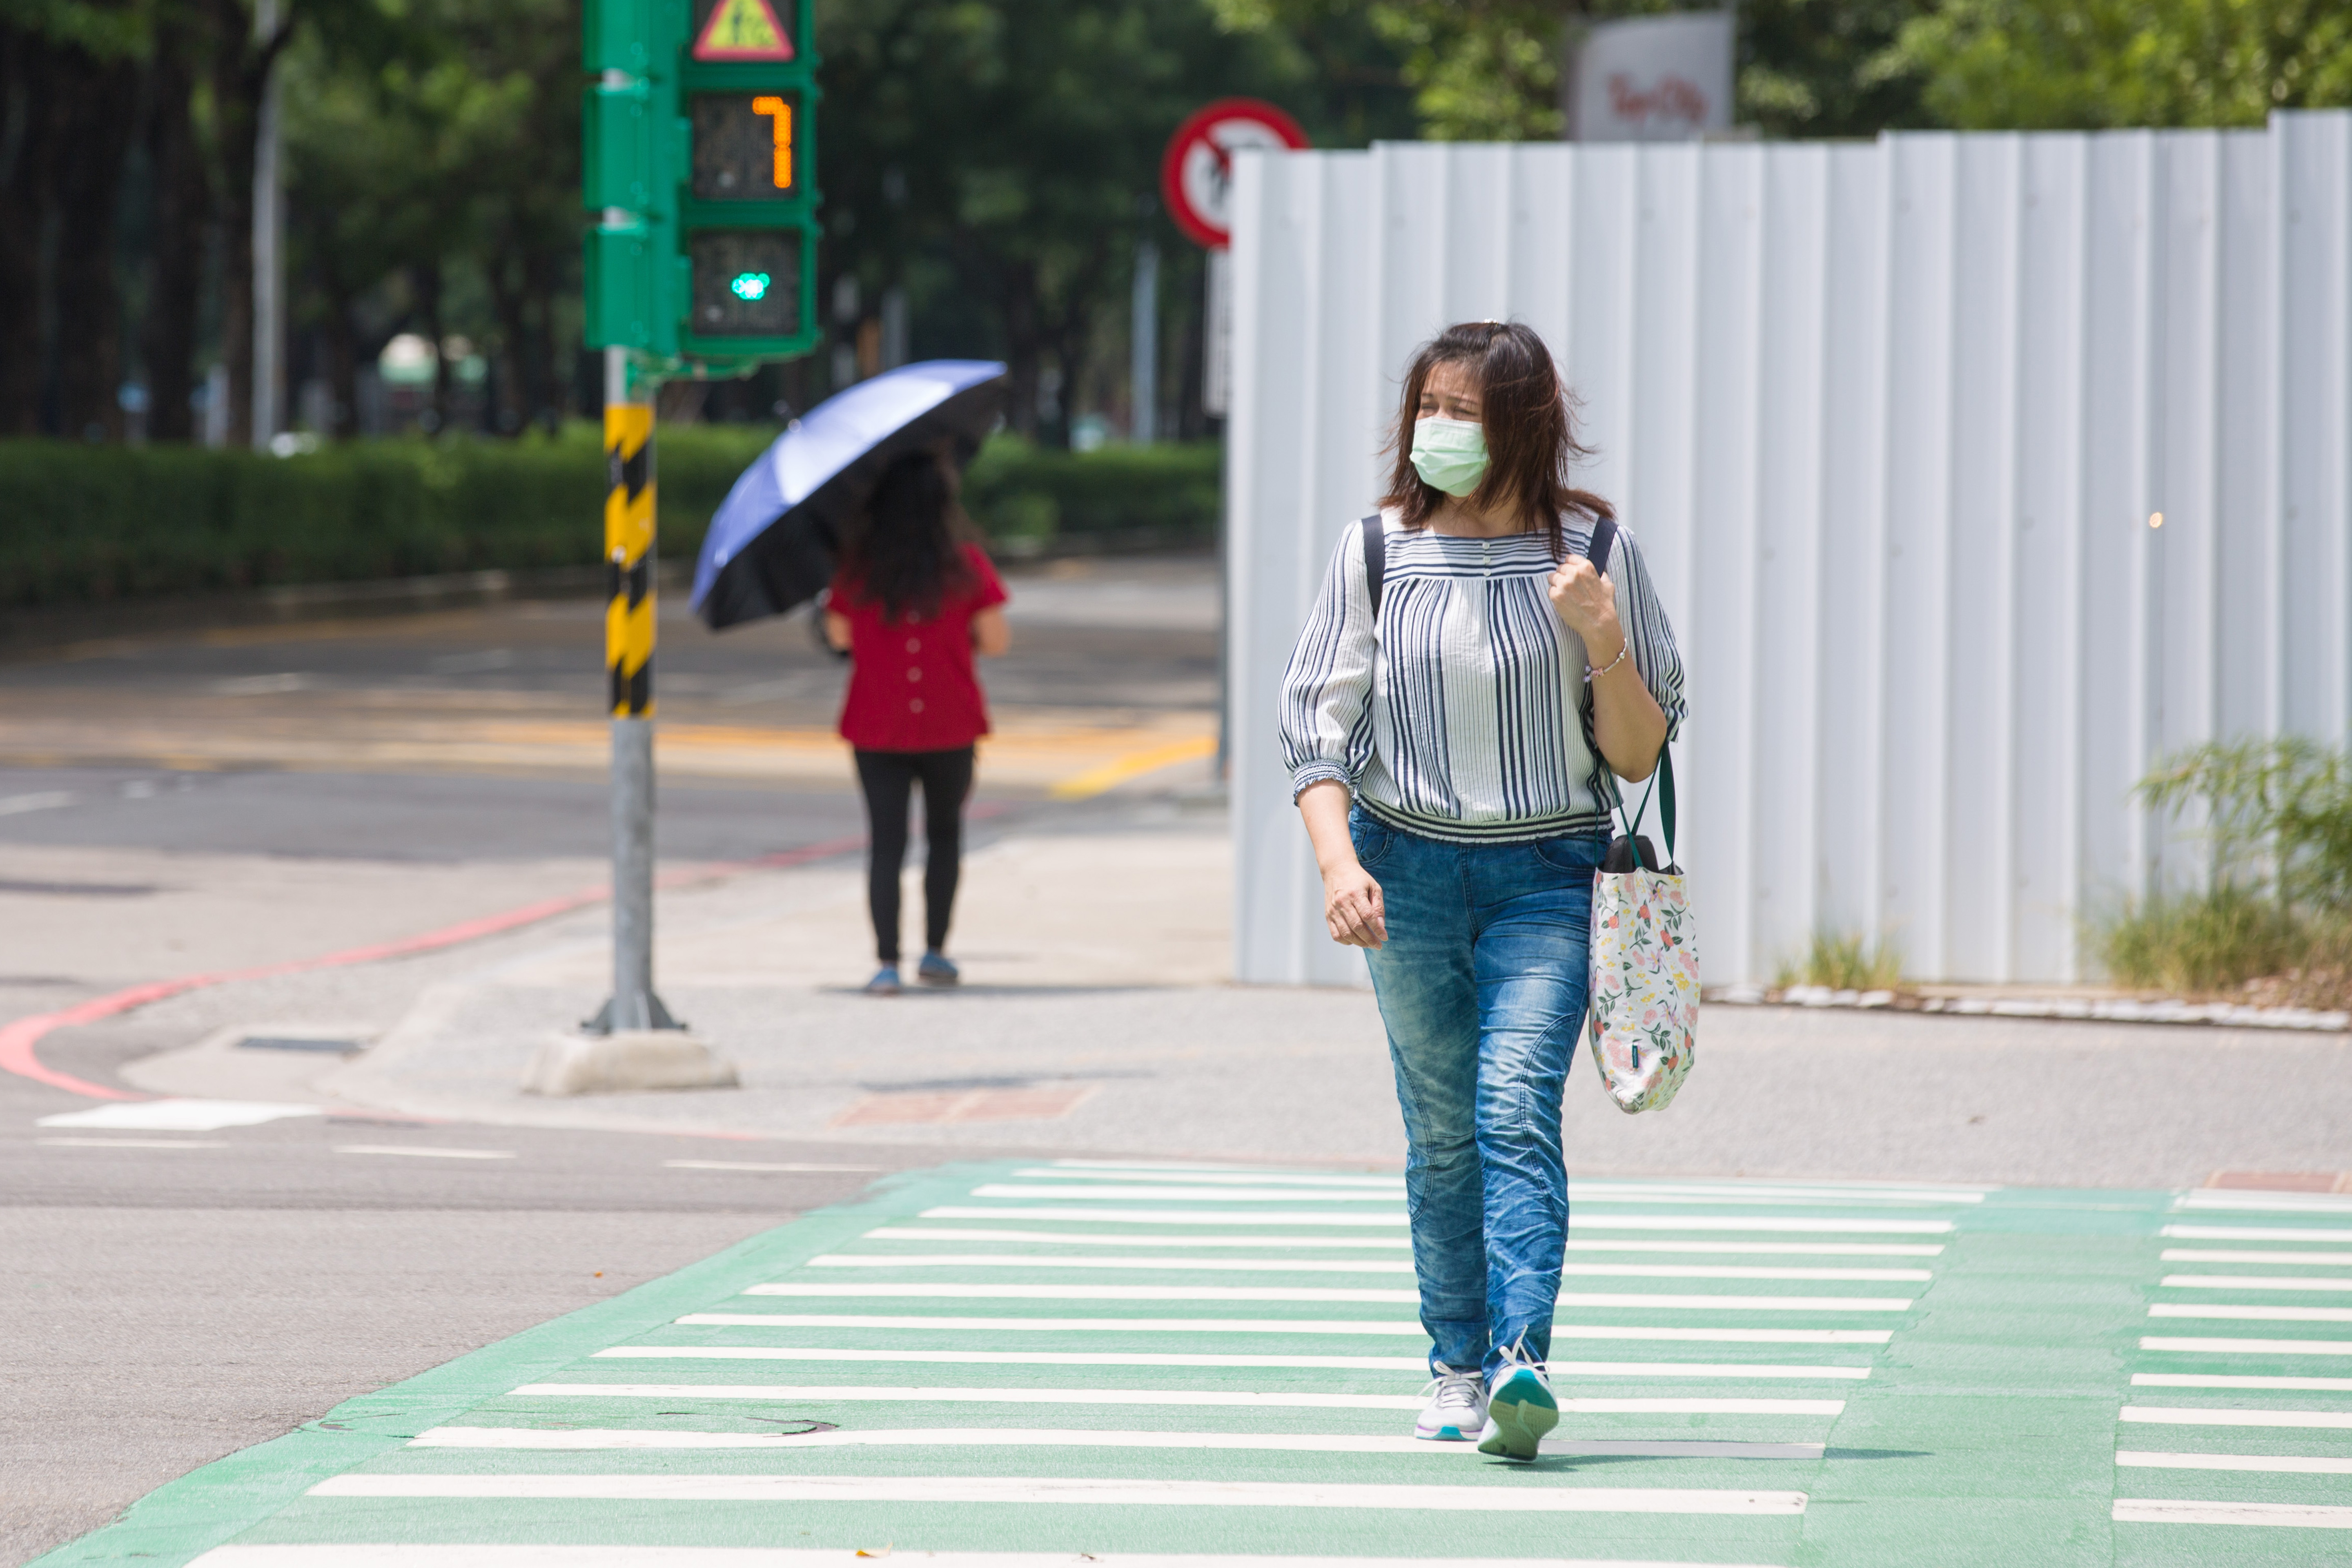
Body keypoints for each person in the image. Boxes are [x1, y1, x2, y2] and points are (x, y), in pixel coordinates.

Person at [1277, 321, 1686, 1459]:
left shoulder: (1596, 550)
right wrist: (1340, 863)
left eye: (1463, 410)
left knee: (1511, 1107)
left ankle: (1520, 1363)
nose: (1438, 429)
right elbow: (1315, 726)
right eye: (1429, 406)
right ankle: (1455, 1364)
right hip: (1402, 869)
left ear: (1523, 424)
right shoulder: (1375, 550)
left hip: (1547, 875)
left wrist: (1602, 635)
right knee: (1443, 1132)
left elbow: (1640, 751)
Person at [824, 448, 1011, 995]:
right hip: (951, 723)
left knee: (885, 843)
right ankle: (935, 952)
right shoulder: (966, 566)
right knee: (945, 836)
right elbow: (997, 641)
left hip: (875, 724)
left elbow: (839, 636)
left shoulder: (858, 569)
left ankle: (886, 963)